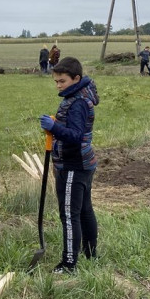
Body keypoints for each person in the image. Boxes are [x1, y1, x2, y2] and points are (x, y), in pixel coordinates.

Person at [39, 57, 99, 274]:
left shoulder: (79, 102)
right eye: (56, 81)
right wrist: (56, 125)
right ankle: (90, 254)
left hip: (74, 164)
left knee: (69, 214)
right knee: (83, 209)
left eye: (62, 81)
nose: (58, 85)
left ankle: (69, 263)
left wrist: (54, 127)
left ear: (76, 78)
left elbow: (75, 136)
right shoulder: (77, 96)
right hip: (81, 162)